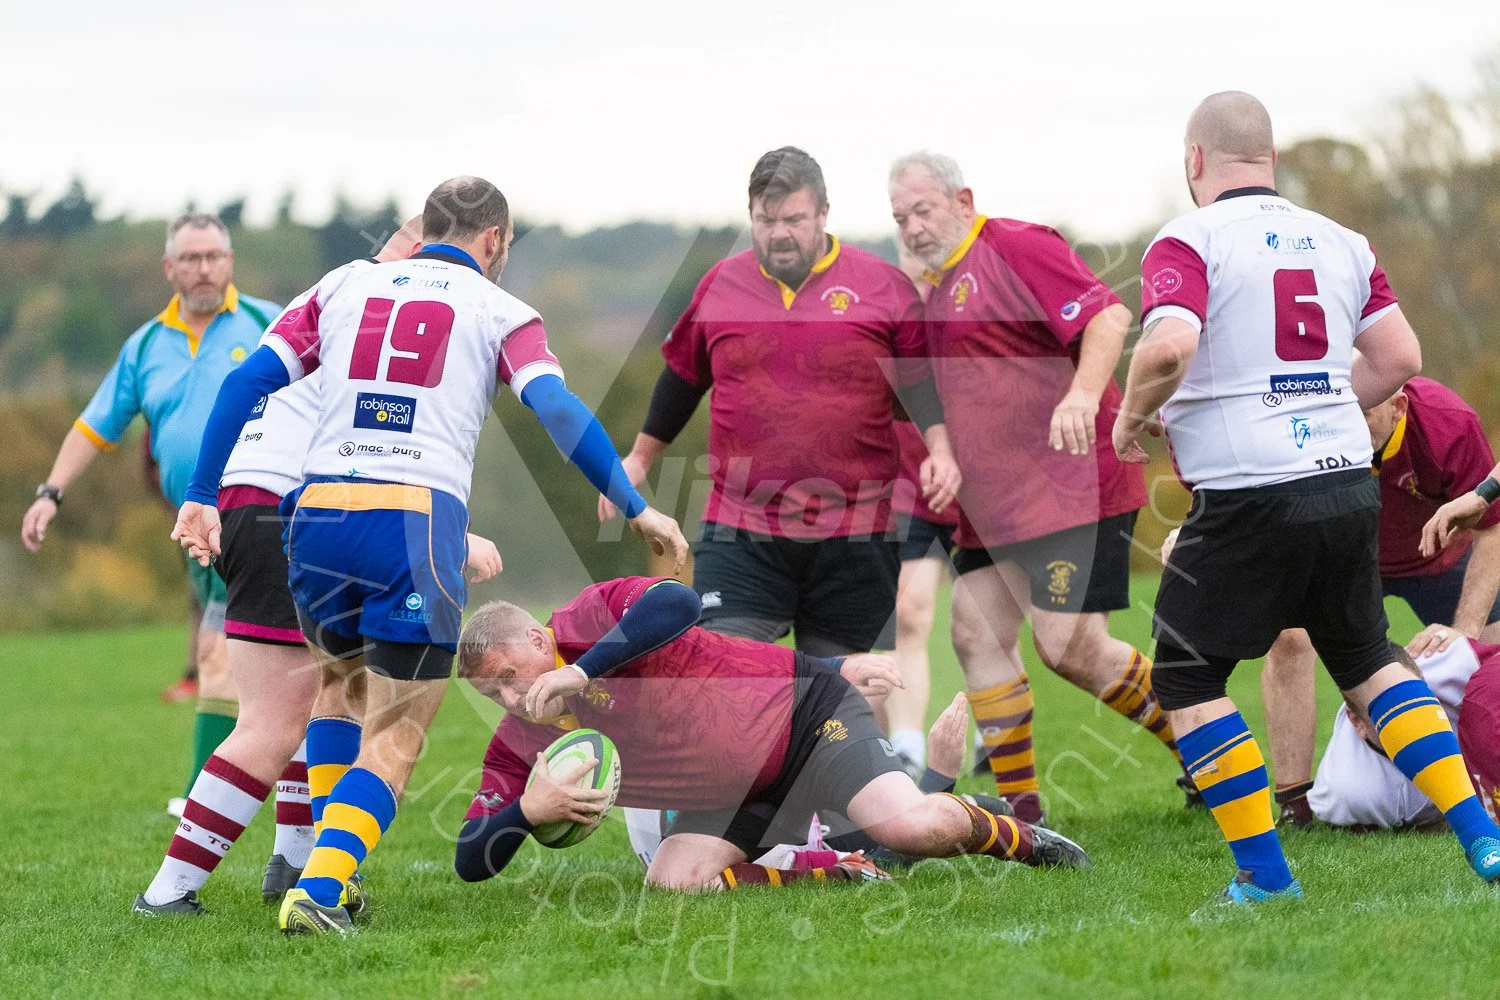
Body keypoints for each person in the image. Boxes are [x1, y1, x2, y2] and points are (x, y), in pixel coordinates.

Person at [173, 175, 688, 935]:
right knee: (398, 734)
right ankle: (320, 889)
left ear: (427, 229)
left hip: (315, 515)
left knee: (339, 694)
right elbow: (554, 406)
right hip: (412, 521)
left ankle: (329, 878)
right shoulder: (500, 308)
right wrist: (637, 504)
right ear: (495, 240)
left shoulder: (345, 285)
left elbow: (248, 379)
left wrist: (200, 493)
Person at [1114, 90, 1500, 903]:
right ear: (1272, 158)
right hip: (1342, 486)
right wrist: (1316, 403)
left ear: (1194, 160)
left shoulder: (1187, 238)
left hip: (1250, 495)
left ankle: (1265, 878)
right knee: (1368, 662)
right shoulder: (1343, 241)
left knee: (1185, 678)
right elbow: (1400, 355)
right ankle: (1484, 841)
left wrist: (1131, 414)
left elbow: (1170, 345)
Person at [133, 217, 506, 916]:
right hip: (289, 506)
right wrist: (456, 536)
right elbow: (388, 453)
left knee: (326, 702)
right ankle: (173, 890)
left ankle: (297, 864)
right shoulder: (395, 306)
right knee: (278, 723)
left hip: (255, 503)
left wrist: (203, 495)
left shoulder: (340, 300)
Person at [452, 576, 1090, 891]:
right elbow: (470, 858)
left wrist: (583, 672)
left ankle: (1017, 835)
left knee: (914, 830)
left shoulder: (593, 616)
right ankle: (843, 869)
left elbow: (676, 602)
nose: (512, 699)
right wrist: (525, 812)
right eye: (492, 695)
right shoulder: (520, 740)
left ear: (539, 639)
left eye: (512, 677)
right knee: (673, 883)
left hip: (808, 720)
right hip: (732, 793)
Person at [888, 151, 1181, 823]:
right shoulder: (930, 291)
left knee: (1070, 648)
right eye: (900, 217)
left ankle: (1199, 745)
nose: (912, 227)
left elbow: (1107, 318)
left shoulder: (1015, 246)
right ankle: (1022, 815)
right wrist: (942, 453)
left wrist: (1081, 395)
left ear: (963, 200)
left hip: (1070, 484)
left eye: (923, 210)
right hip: (993, 504)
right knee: (972, 630)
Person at [599, 146, 960, 659]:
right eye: (765, 220)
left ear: (823, 214)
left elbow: (923, 388)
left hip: (856, 533)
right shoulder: (720, 286)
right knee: (726, 674)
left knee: (843, 698)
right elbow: (682, 379)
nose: (779, 232)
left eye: (794, 218)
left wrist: (941, 452)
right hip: (742, 528)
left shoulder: (884, 288)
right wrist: (638, 458)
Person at [19, 212, 281, 812]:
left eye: (214, 255)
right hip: (194, 522)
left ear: (230, 260)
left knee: (236, 648)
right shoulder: (145, 346)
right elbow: (95, 424)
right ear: (169, 268)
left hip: (266, 516)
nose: (204, 267)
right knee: (239, 654)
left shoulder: (270, 325)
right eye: (190, 258)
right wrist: (50, 492)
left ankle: (207, 796)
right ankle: (246, 789)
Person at [1254, 378, 1500, 825]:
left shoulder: (1448, 424)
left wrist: (1464, 633)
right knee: (1288, 636)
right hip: (1347, 561)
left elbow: (1493, 527)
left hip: (1441, 559)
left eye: (1362, 415)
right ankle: (1295, 802)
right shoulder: (1305, 423)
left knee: (1491, 656)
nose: (1346, 427)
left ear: (1398, 406)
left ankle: (1484, 781)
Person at [885, 242, 962, 775]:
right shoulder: (888, 322)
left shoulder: (970, 315)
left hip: (983, 487)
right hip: (911, 487)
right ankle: (908, 746)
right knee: (909, 613)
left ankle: (981, 734)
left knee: (982, 622)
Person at [1308, 626, 1496, 831]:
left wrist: (1463, 639)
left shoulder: (1446, 663)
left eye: (1417, 695)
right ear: (1356, 722)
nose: (1412, 714)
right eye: (1388, 709)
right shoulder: (1350, 789)